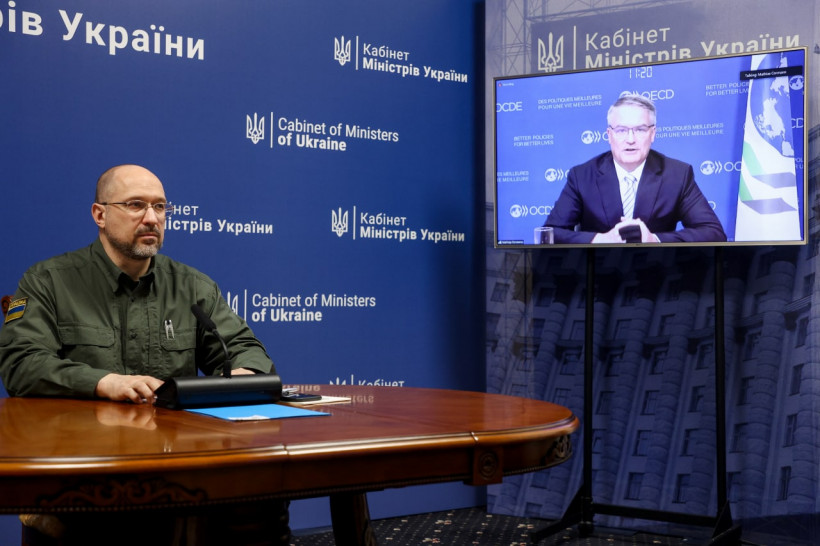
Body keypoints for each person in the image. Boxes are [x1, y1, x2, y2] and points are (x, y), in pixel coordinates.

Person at [0, 164, 288, 546]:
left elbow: (242, 347)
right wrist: (104, 382)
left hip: (177, 466)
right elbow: (21, 363)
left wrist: (244, 373)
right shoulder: (48, 281)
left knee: (263, 494)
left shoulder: (193, 286)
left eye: (160, 207)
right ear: (100, 214)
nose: (152, 218)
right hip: (85, 467)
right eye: (136, 205)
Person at [544, 94, 727, 244]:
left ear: (652, 134)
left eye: (640, 130)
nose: (630, 139)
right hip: (598, 271)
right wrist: (599, 240)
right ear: (609, 135)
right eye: (621, 130)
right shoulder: (582, 176)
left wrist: (654, 240)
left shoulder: (677, 175)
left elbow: (713, 232)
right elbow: (550, 233)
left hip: (656, 270)